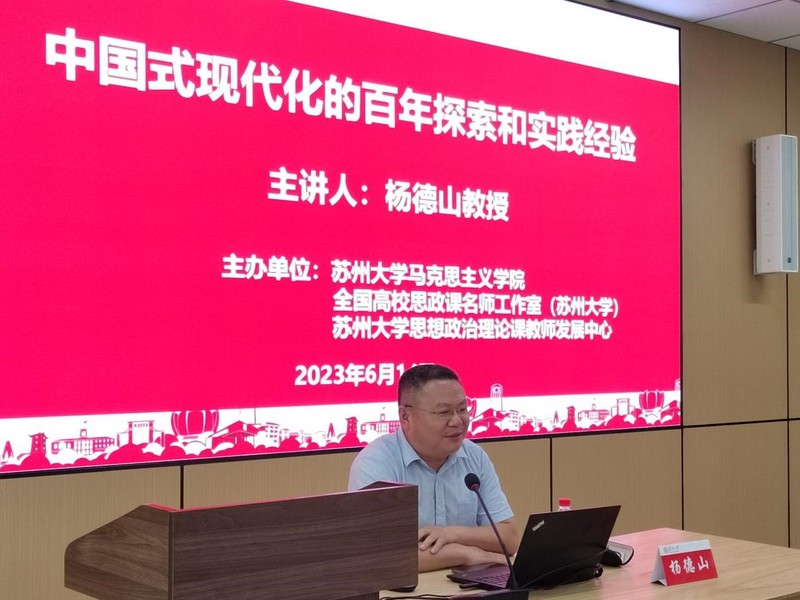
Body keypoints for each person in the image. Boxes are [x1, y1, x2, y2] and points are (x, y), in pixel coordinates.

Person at [348, 363, 519, 572]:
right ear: (405, 416)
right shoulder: (376, 463)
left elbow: (509, 538)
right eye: (444, 412)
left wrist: (452, 534)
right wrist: (465, 554)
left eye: (462, 409)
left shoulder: (474, 456)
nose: (457, 421)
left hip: (469, 584)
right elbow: (377, 554)